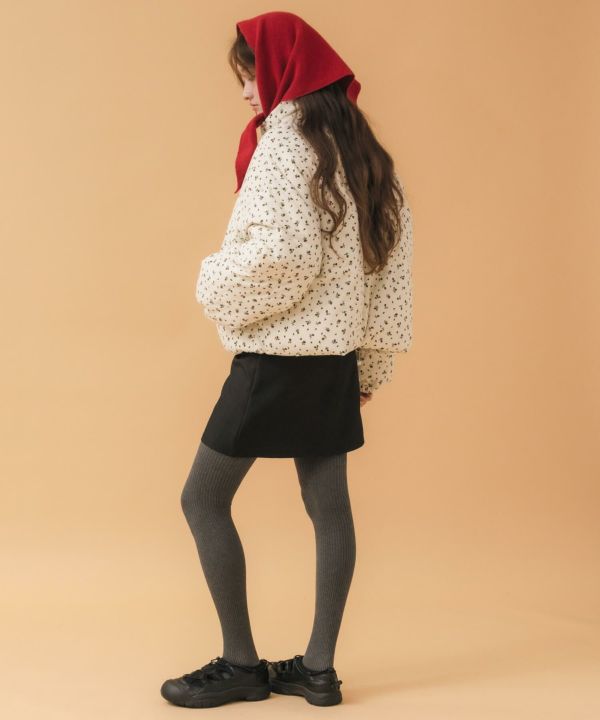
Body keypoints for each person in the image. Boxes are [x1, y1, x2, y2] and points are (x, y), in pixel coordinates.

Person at [160, 9, 413, 710]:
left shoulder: (285, 145)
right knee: (329, 511)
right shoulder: (365, 157)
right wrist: (368, 368)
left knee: (202, 498)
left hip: (275, 360)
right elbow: (390, 271)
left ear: (282, 69)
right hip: (332, 362)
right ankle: (318, 671)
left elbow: (285, 258)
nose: (247, 93)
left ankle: (241, 665)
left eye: (250, 77)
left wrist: (210, 281)